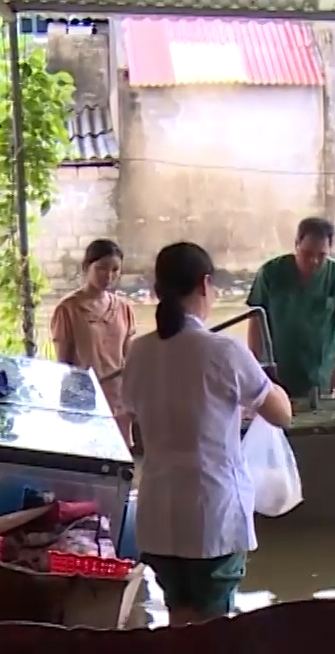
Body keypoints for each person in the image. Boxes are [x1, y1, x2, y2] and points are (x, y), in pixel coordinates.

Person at [124, 241, 294, 624]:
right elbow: (282, 414)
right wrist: (270, 388)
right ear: (205, 284)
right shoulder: (223, 351)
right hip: (210, 514)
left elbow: (136, 417)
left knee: (180, 624)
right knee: (212, 639)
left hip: (158, 515)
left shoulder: (139, 352)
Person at [247, 217, 335, 403]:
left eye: (321, 255)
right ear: (296, 245)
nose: (313, 261)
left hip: (320, 371)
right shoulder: (270, 273)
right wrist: (255, 366)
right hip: (276, 370)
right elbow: (256, 320)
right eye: (307, 253)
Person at [51, 239, 136, 444]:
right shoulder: (68, 309)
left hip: (118, 400)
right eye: (101, 268)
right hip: (86, 400)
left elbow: (129, 358)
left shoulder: (124, 308)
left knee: (122, 467)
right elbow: (64, 364)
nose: (109, 276)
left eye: (115, 270)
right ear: (86, 267)